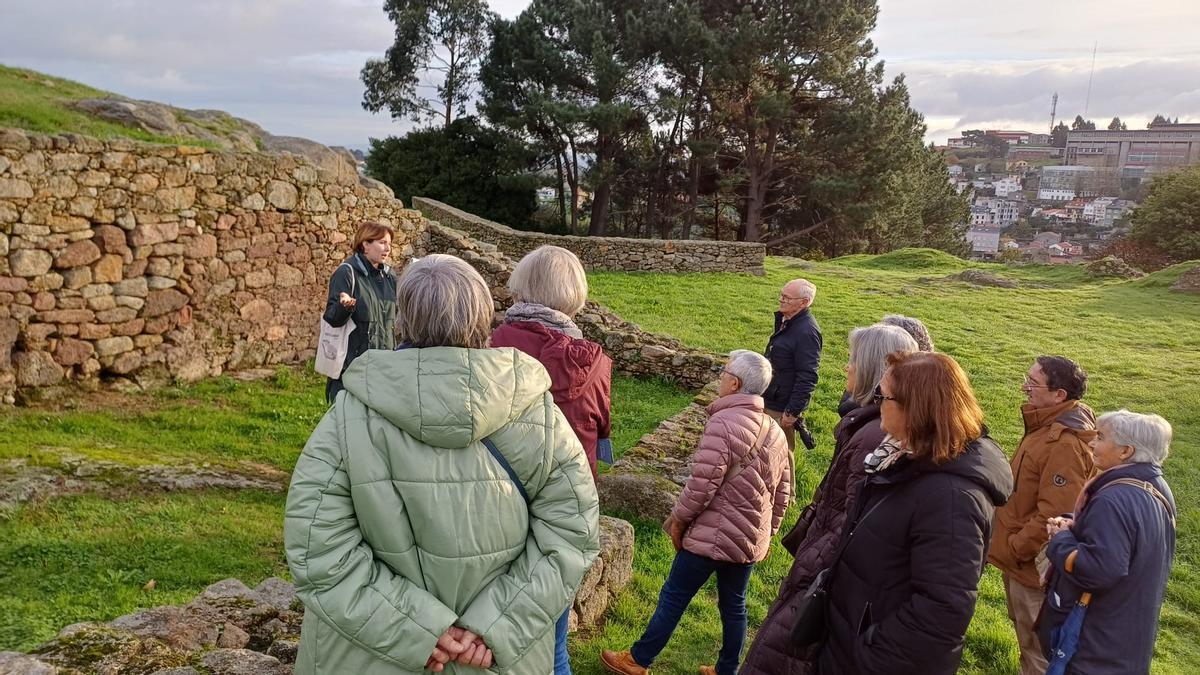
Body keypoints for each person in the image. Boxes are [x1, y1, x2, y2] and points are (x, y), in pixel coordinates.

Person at [285, 254, 601, 674]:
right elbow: (572, 534)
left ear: (404, 320)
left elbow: (317, 548)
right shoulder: (541, 420)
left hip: (370, 657)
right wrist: (496, 624)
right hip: (493, 660)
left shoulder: (347, 418)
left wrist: (417, 629)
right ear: (484, 320)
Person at [818, 351, 1013, 674]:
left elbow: (943, 609)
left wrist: (869, 653)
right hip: (846, 638)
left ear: (916, 408)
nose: (876, 401)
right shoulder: (901, 459)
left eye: (883, 395)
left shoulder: (951, 498)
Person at [739, 324, 918, 675]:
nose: (846, 367)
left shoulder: (873, 437)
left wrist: (814, 568)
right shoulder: (869, 427)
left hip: (826, 575)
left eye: (853, 360)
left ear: (873, 370)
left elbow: (850, 522)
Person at [601, 350, 793, 675]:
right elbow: (783, 493)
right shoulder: (773, 430)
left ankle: (637, 661)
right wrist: (767, 534)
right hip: (747, 540)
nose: (720, 377)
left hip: (709, 536)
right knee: (735, 605)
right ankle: (727, 670)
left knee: (674, 597)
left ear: (734, 383)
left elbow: (701, 486)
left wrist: (679, 519)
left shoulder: (723, 423)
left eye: (724, 372)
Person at [491, 245, 613, 674]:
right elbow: (600, 431)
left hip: (498, 500)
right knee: (554, 642)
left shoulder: (492, 347)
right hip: (568, 507)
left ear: (523, 286)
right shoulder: (596, 362)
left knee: (489, 634)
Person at [1040, 410, 1176, 674]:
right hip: (1126, 640)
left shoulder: (1113, 500)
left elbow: (1098, 570)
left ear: (1126, 451)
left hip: (1094, 649)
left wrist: (1060, 539)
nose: (1092, 443)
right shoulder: (1158, 487)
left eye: (1101, 437)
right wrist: (1076, 525)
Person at [989, 356, 1096, 674]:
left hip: (1031, 569)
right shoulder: (1046, 423)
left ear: (1059, 394)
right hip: (1018, 562)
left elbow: (1054, 513)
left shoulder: (1064, 444)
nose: (1025, 387)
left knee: (1037, 654)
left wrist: (1015, 548)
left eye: (1033, 383)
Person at [320, 221, 398, 403]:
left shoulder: (390, 278)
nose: (387, 248)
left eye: (389, 244)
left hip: (383, 372)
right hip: (351, 372)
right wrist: (344, 307)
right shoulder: (346, 273)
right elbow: (331, 318)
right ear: (365, 244)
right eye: (382, 243)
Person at [763, 278, 822, 449]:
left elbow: (808, 375)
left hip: (782, 405)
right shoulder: (787, 320)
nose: (781, 299)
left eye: (787, 298)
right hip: (772, 395)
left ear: (804, 303)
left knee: (780, 451)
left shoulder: (806, 332)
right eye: (781, 295)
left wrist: (792, 411)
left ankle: (786, 478)